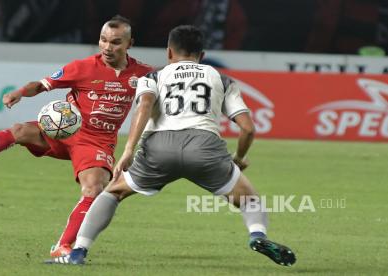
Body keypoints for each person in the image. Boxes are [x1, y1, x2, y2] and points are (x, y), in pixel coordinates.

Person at [46, 25, 296, 266]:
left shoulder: (153, 76)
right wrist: (239, 158)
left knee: (113, 192)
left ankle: (78, 251)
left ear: (168, 52)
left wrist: (129, 150)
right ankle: (257, 236)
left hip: (158, 149)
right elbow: (248, 128)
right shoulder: (222, 79)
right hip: (205, 147)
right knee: (249, 200)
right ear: (203, 55)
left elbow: (144, 107)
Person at [0, 15, 152, 257]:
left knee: (94, 189)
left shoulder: (144, 75)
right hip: (63, 131)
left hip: (97, 142)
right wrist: (21, 92)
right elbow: (42, 84)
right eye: (103, 40)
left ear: (130, 44)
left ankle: (62, 246)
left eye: (115, 42)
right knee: (20, 130)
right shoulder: (82, 67)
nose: (107, 47)